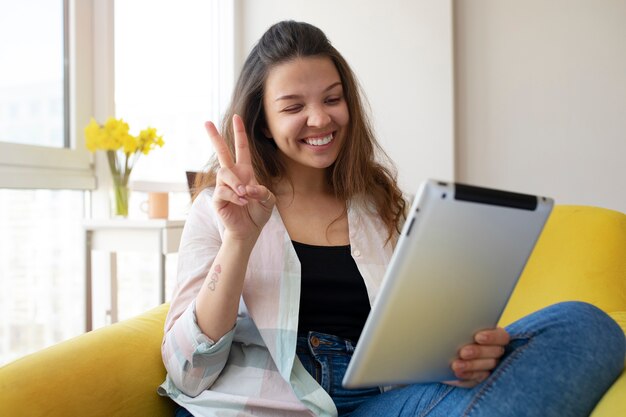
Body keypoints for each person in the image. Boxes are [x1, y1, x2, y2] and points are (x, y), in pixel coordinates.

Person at [158, 20, 625, 417]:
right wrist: (239, 240)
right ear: (263, 122)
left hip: (381, 400)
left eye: (332, 99)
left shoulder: (380, 202)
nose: (319, 119)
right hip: (271, 404)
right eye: (294, 107)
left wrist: (466, 353)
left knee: (584, 326)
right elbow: (188, 371)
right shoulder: (219, 209)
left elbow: (417, 335)